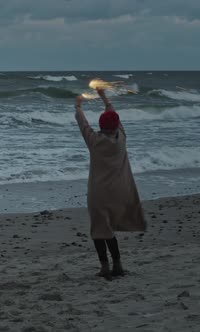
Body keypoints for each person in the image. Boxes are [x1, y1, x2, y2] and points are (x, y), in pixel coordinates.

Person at [74, 88, 147, 280]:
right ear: (116, 125)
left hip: (99, 193)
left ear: (101, 125)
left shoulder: (95, 141)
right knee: (110, 230)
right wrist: (103, 96)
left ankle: (105, 267)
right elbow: (112, 112)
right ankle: (118, 264)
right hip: (120, 192)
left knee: (99, 229)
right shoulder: (121, 138)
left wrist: (78, 105)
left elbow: (83, 124)